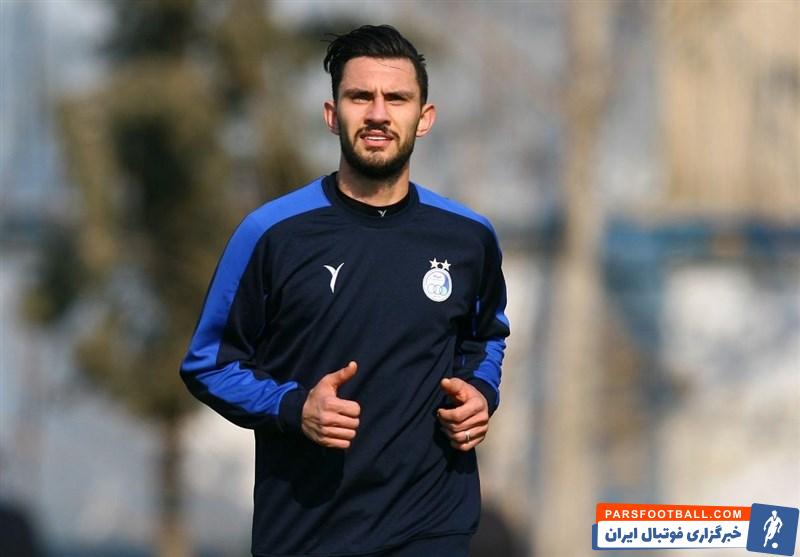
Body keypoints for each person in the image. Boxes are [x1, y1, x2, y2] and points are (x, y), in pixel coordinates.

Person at [180, 24, 510, 557]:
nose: (378, 113)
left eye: (396, 98)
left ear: (424, 117)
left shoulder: (469, 236)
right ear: (333, 114)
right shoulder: (271, 233)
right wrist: (294, 408)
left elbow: (486, 336)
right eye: (361, 97)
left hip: (432, 526)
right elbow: (208, 365)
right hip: (306, 533)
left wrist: (480, 392)